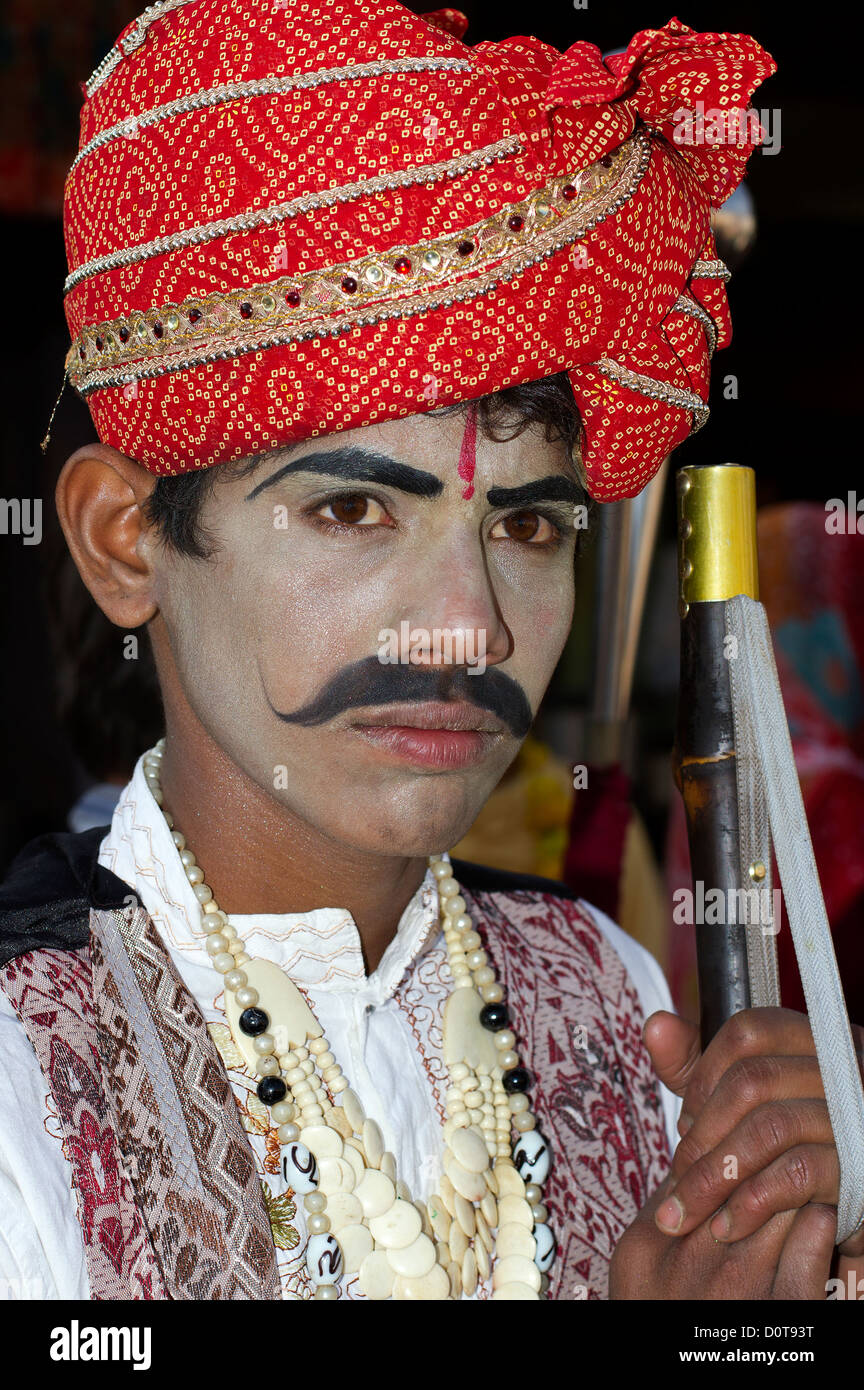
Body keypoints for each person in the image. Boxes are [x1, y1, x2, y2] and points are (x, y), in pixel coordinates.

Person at [1, 0, 859, 1301]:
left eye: (526, 521)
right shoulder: (28, 1065)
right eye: (354, 508)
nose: (473, 625)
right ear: (127, 541)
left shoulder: (609, 992)